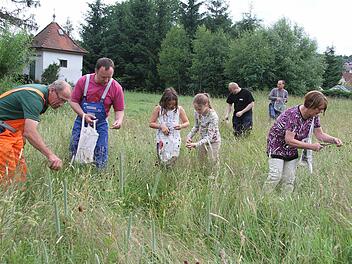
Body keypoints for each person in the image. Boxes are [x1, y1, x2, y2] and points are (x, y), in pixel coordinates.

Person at [263, 90, 343, 194]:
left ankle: (284, 202)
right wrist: (311, 146)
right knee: (275, 176)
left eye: (322, 110)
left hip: (292, 148)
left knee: (289, 179)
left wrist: (334, 140)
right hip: (277, 146)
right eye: (319, 109)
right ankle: (263, 199)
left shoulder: (314, 117)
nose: (320, 112)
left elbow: (320, 134)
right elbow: (289, 140)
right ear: (310, 105)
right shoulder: (293, 115)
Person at [0, 80, 71, 184]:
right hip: (3, 132)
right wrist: (50, 155)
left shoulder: (44, 97)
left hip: (12, 132)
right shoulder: (35, 97)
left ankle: (17, 197)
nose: (61, 104)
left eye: (64, 102)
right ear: (52, 90)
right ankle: (5, 198)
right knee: (7, 172)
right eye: (61, 99)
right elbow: (29, 132)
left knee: (20, 172)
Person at [69, 58, 125, 168]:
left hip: (101, 124)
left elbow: (119, 109)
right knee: (75, 145)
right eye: (103, 77)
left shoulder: (116, 87)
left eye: (109, 77)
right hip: (82, 121)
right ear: (96, 71)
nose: (106, 80)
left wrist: (119, 120)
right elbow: (73, 101)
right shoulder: (83, 81)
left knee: (101, 149)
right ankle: (74, 169)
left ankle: (100, 175)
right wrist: (84, 115)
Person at [149, 87, 189, 165]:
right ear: (164, 101)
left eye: (173, 104)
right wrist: (161, 126)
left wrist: (180, 126)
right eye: (169, 104)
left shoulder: (179, 109)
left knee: (173, 159)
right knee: (162, 159)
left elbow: (187, 122)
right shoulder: (158, 109)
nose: (171, 106)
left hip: (175, 139)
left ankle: (170, 173)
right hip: (162, 139)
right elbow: (151, 123)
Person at [186, 93, 221, 166]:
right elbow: (196, 126)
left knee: (213, 161)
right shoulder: (197, 113)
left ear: (206, 105)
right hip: (202, 140)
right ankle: (202, 174)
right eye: (195, 109)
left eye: (199, 109)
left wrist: (196, 144)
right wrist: (189, 136)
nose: (197, 111)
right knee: (201, 160)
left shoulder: (213, 116)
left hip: (214, 141)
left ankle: (214, 176)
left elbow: (209, 136)